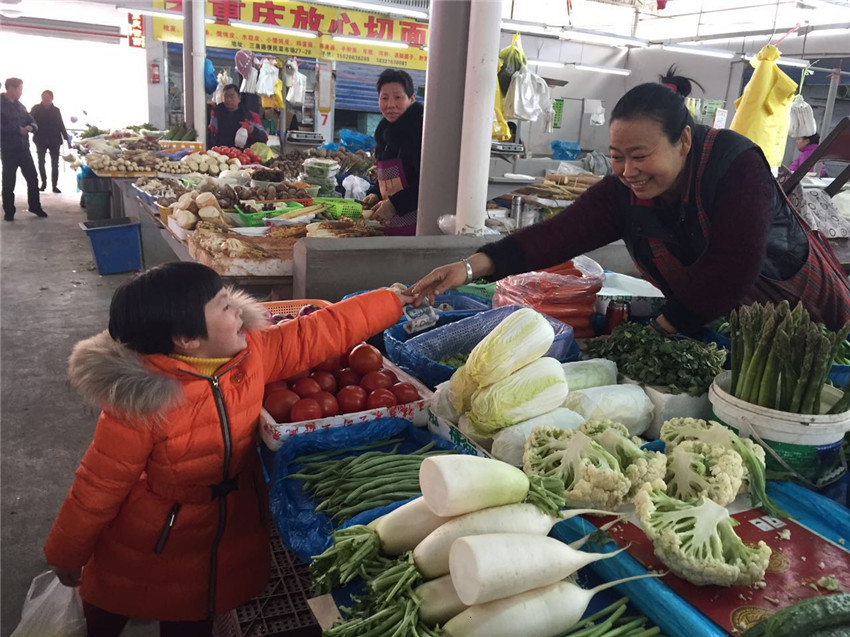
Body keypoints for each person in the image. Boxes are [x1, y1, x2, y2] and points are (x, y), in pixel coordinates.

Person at [43, 262, 412, 636]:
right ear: (187, 340)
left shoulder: (252, 353)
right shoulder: (140, 403)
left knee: (194, 614)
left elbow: (315, 333)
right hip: (156, 537)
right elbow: (97, 486)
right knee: (108, 608)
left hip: (227, 525)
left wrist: (390, 301)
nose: (239, 309)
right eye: (224, 305)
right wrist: (66, 553)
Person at [410, 67, 850, 335]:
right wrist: (471, 267)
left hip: (806, 314)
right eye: (617, 157)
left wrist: (659, 332)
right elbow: (557, 235)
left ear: (682, 141)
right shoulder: (626, 190)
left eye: (640, 156)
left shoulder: (737, 166)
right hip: (717, 320)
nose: (627, 171)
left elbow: (734, 265)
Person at [361, 69, 424, 236]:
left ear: (411, 99)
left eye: (398, 97)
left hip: (417, 228)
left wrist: (395, 204)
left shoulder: (420, 132)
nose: (390, 105)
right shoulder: (385, 134)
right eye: (384, 98)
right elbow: (388, 179)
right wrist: (375, 193)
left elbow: (428, 184)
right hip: (390, 226)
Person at [1, 77, 47, 221]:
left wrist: (31, 127)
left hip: (24, 149)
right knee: (9, 182)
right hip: (9, 150)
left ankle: (35, 206)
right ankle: (9, 211)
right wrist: (17, 130)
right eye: (20, 88)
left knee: (33, 178)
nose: (21, 92)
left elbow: (31, 120)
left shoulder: (20, 106)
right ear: (11, 89)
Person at [30, 89, 68, 193]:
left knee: (55, 164)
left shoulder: (56, 110)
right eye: (43, 97)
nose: (45, 99)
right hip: (40, 139)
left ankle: (54, 186)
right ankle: (43, 183)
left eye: (47, 98)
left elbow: (61, 124)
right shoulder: (36, 108)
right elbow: (29, 120)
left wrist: (66, 138)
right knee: (41, 162)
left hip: (54, 140)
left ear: (52, 98)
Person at [207, 84, 268, 149]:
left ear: (239, 98)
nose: (228, 99)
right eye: (226, 96)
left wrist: (252, 130)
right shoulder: (216, 112)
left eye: (232, 96)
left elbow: (264, 137)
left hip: (243, 155)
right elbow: (211, 133)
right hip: (220, 153)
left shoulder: (250, 115)